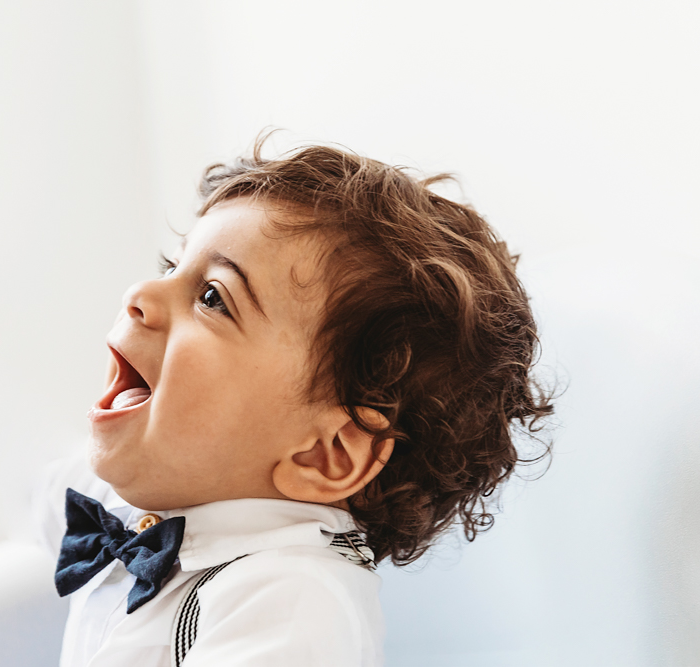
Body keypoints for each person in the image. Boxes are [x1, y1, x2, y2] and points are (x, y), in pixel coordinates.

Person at [34, 136, 553, 667]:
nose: (140, 293)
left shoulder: (293, 600)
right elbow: (33, 486)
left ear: (324, 454)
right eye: (172, 265)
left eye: (213, 297)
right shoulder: (143, 494)